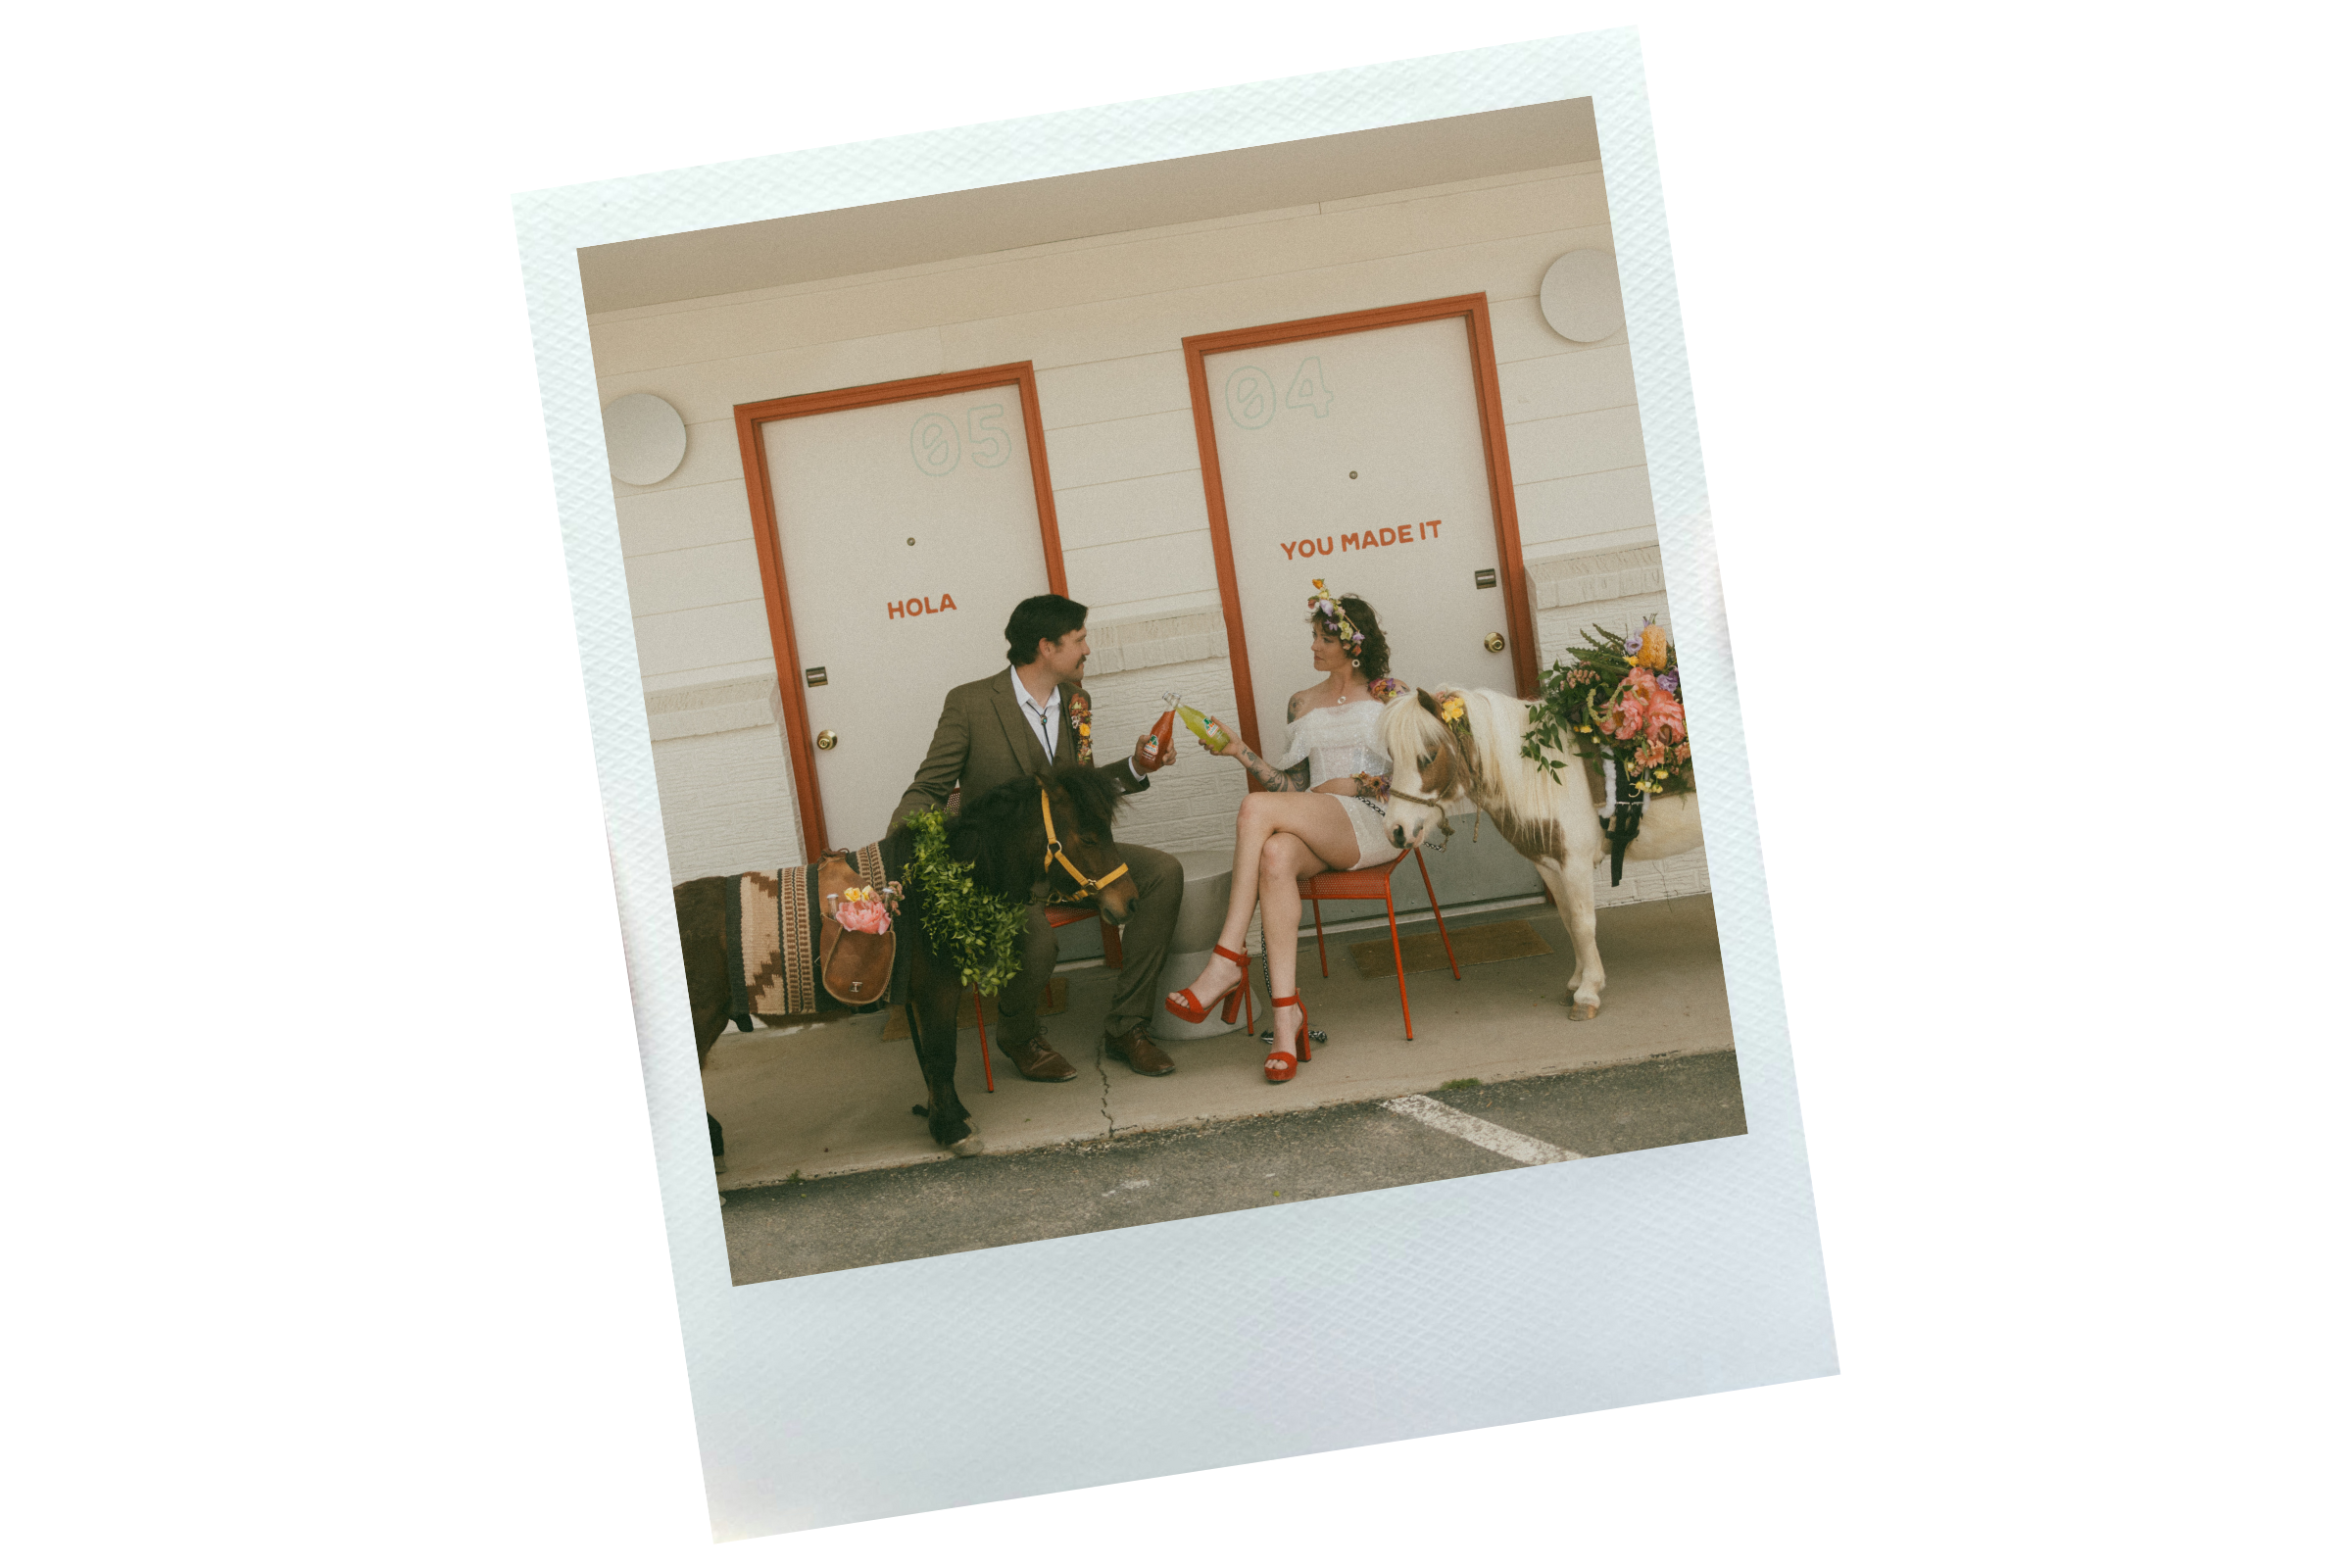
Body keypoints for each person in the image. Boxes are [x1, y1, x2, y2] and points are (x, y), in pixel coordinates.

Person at [891, 594, 1188, 1081]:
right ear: (1047, 647)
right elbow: (929, 788)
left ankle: (1127, 1026)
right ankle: (1019, 1035)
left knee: (1162, 874)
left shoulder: (1077, 702)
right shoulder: (970, 703)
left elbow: (1079, 793)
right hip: (1009, 869)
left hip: (1071, 858)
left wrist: (1138, 766)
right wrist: (899, 854)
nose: (1087, 649)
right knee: (1038, 945)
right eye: (1079, 640)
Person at [1163, 582, 1406, 1083]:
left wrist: (1359, 782)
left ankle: (1226, 959)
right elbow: (1291, 786)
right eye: (1314, 636)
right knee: (1274, 854)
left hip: (1371, 818)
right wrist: (1239, 751)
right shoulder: (1301, 703)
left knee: (1255, 807)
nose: (1313, 646)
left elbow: (1417, 774)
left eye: (1324, 638)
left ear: (1353, 645)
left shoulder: (1392, 694)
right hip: (1318, 819)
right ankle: (1284, 1021)